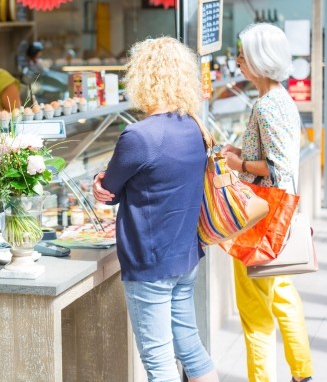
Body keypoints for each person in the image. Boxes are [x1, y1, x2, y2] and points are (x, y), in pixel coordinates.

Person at [92, 37, 219, 382]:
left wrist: (99, 182)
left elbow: (109, 189)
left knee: (159, 364)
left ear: (141, 77)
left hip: (150, 262)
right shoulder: (196, 127)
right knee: (191, 350)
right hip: (186, 256)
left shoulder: (138, 135)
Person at [220, 23, 313, 382]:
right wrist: (242, 152)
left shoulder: (266, 105)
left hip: (258, 216)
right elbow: (276, 157)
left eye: (242, 55)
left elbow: (275, 168)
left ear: (259, 60)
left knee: (254, 308)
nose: (238, 61)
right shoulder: (280, 100)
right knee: (282, 294)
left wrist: (237, 164)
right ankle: (302, 372)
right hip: (278, 213)